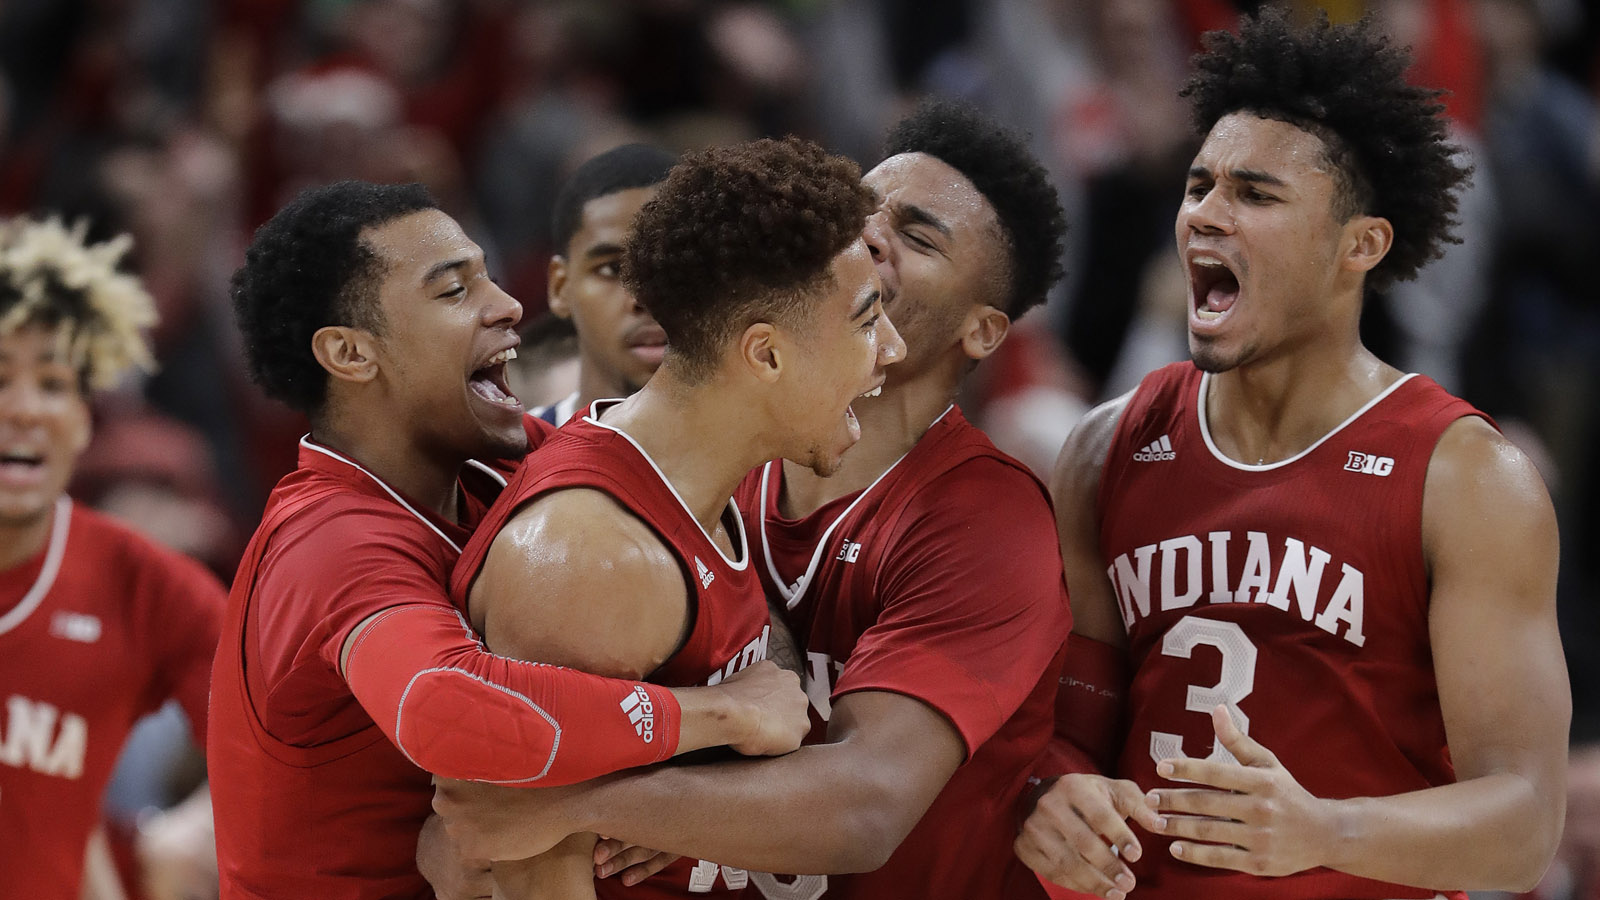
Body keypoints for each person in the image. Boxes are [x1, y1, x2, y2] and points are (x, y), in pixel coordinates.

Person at [433, 99, 1075, 900]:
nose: (870, 238)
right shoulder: (632, 515)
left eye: (915, 237)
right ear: (765, 353)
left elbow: (861, 801)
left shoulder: (976, 518)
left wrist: (608, 804)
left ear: (982, 331)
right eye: (865, 212)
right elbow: (497, 835)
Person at [1018, 10, 1569, 900]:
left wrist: (1325, 829)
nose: (1205, 215)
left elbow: (1525, 824)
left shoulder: (1466, 478)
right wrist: (1050, 787)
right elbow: (1076, 725)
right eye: (1198, 186)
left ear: (1361, 246)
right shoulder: (1107, 446)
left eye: (1255, 194)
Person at [209, 180, 811, 900]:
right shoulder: (329, 543)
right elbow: (447, 709)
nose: (507, 304)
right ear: (349, 352)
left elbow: (710, 561)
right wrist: (720, 715)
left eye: (488, 275)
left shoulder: (504, 461)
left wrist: (667, 797)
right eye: (454, 291)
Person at [446, 135, 901, 899]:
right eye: (865, 320)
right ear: (766, 355)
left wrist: (689, 788)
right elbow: (522, 854)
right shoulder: (592, 557)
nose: (889, 347)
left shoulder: (693, 483)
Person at [0, 216, 225, 900]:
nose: (26, 410)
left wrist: (193, 832)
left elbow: (289, 750)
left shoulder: (140, 585)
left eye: (54, 384)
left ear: (85, 421)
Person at [533, 143, 677, 425]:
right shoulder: (509, 463)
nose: (644, 296)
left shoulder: (778, 457)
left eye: (672, 263)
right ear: (560, 287)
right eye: (612, 268)